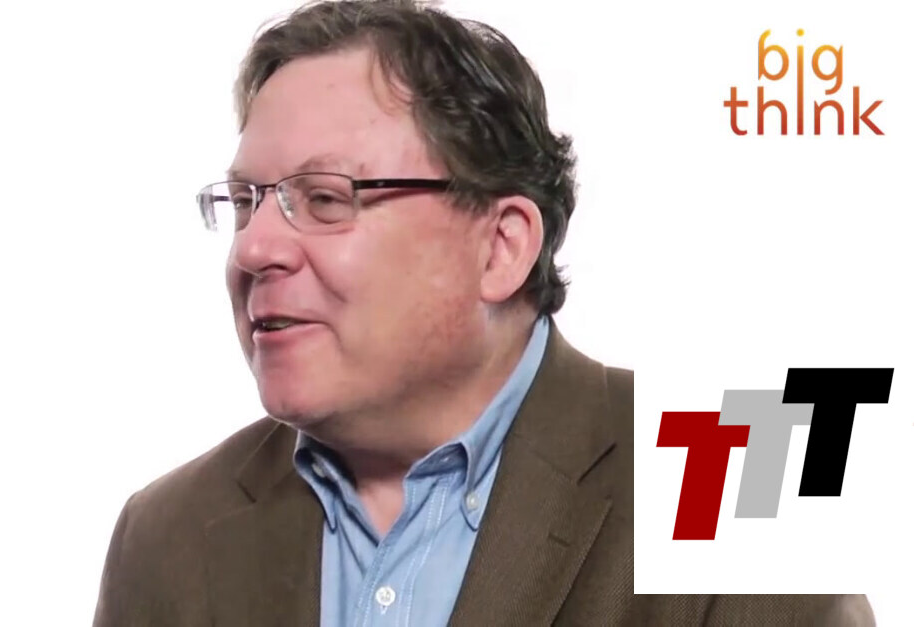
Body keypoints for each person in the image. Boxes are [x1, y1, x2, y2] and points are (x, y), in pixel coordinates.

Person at [92, 1, 875, 624]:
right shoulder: (167, 532)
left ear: (501, 246)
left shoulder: (739, 469)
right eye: (244, 202)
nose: (254, 246)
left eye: (324, 199)